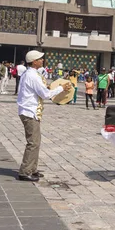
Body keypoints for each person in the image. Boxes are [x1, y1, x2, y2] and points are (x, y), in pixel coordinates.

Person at [16, 50, 71, 181]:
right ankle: (25, 171)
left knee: (36, 141)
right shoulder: (32, 75)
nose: (42, 60)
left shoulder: (31, 73)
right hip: (29, 112)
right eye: (40, 59)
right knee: (33, 143)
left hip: (30, 111)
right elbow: (45, 94)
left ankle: (32, 168)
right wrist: (61, 88)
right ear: (34, 61)